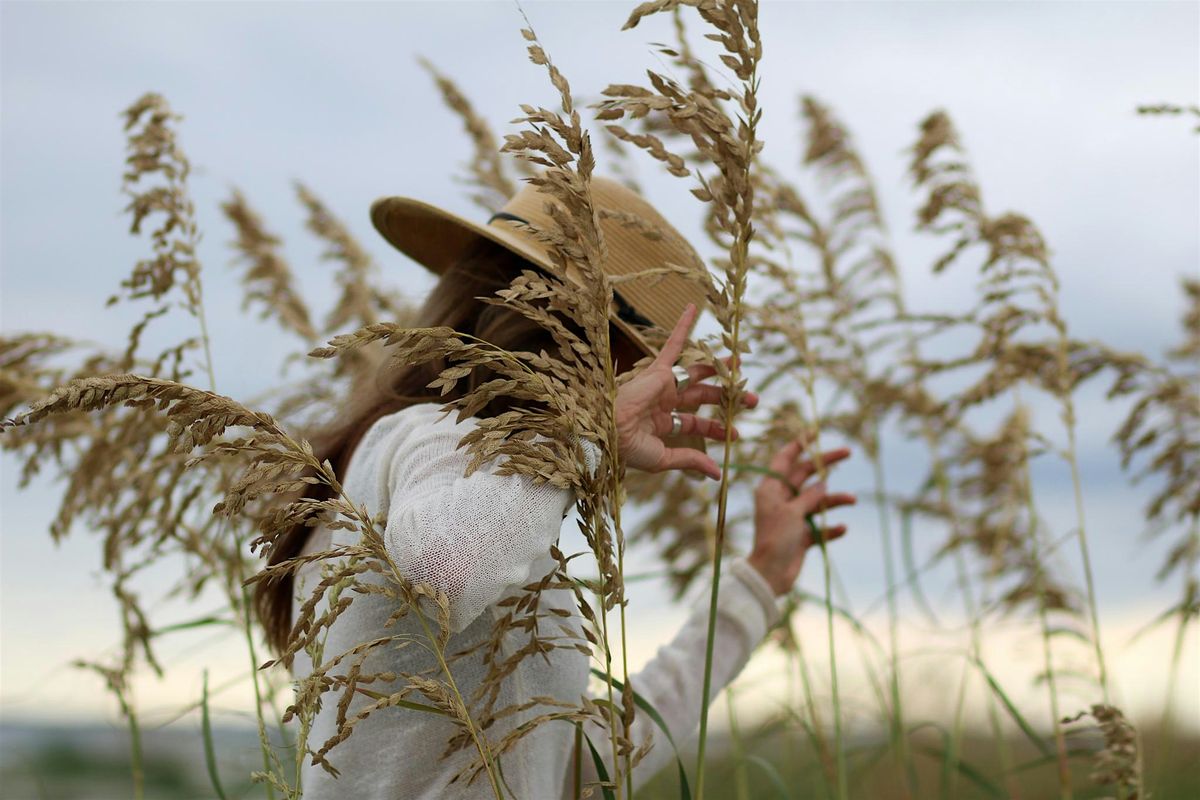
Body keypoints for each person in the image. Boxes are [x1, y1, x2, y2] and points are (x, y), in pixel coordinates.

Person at [255, 175, 856, 799]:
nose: (653, 393)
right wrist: (582, 435)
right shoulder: (426, 437)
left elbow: (571, 769)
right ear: (585, 346)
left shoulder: (484, 491)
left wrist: (757, 583)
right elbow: (444, 572)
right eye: (648, 368)